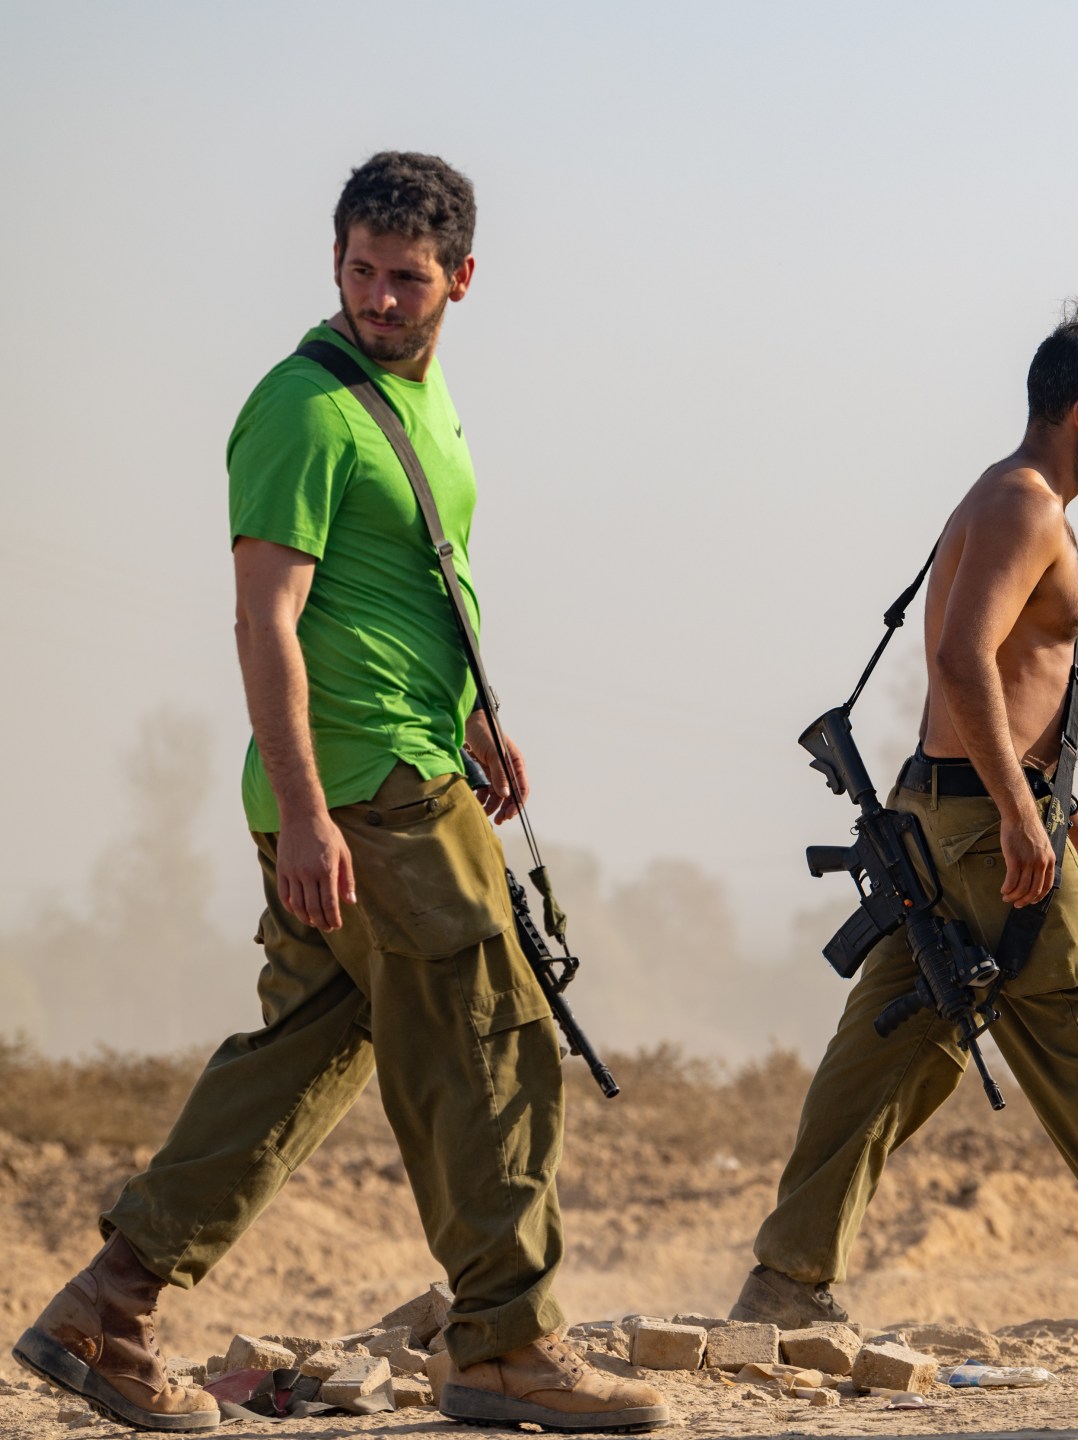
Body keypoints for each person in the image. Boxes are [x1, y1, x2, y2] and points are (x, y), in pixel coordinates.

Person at [9, 152, 667, 1434]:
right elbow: (265, 619)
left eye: (406, 278)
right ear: (335, 262)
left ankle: (106, 1308)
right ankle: (506, 1345)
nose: (378, 297)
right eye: (361, 271)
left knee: (300, 1057)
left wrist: (474, 711)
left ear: (461, 279)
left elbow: (413, 581)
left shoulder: (418, 403)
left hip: (407, 759)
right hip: (371, 793)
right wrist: (308, 812)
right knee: (495, 1046)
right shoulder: (305, 410)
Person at [728, 307, 1078, 1358]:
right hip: (985, 828)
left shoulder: (999, 494)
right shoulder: (1025, 506)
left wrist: (1070, 815)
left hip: (942, 816)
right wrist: (1023, 816)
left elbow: (1009, 683)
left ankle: (787, 1277)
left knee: (886, 1053)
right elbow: (963, 662)